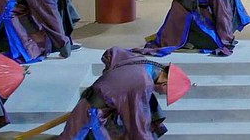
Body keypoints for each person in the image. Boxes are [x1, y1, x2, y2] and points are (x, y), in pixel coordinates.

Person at [58, 47, 192, 140]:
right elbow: (139, 124)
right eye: (165, 93)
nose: (161, 94)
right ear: (165, 83)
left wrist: (111, 83)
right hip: (92, 113)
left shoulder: (143, 62)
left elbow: (112, 52)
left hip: (91, 102)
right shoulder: (144, 83)